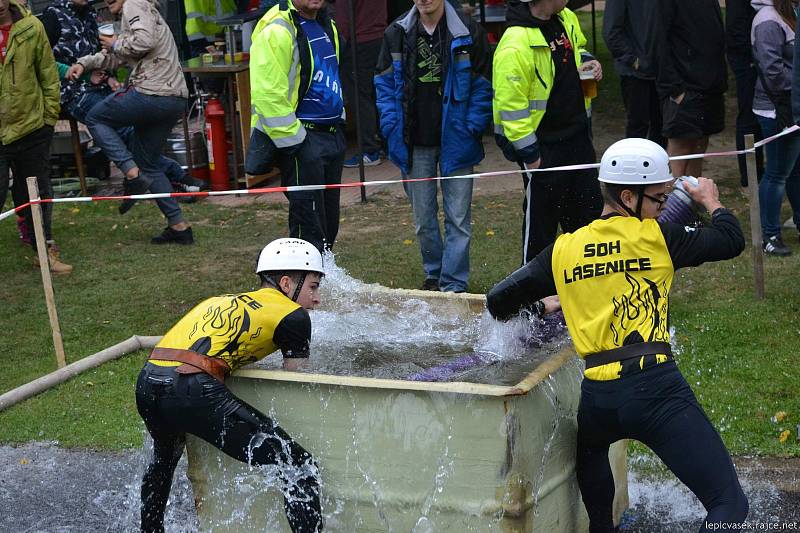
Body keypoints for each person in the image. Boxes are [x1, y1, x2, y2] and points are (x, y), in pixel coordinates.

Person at [486, 138, 749, 532]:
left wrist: (545, 305)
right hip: (657, 390)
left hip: (599, 402)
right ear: (628, 196)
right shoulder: (659, 238)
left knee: (595, 482)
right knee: (730, 507)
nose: (663, 208)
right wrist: (713, 202)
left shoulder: (563, 249)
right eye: (658, 200)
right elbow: (731, 240)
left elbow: (497, 302)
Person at [136, 237, 325, 533]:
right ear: (287, 283)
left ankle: (149, 530)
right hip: (191, 390)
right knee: (298, 464)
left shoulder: (217, 300)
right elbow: (296, 382)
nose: (317, 299)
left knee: (165, 459)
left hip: (147, 383)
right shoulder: (294, 317)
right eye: (313, 287)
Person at [374, 0, 491, 293]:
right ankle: (434, 274)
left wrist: (473, 124)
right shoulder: (396, 33)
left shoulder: (469, 32)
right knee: (423, 219)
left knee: (459, 219)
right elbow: (384, 85)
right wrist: (390, 126)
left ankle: (454, 283)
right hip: (413, 143)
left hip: (458, 139)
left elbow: (483, 84)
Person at [67, 0, 194, 245]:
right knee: (149, 163)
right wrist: (86, 63)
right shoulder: (143, 10)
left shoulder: (134, 4)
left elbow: (143, 41)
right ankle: (179, 227)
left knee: (95, 117)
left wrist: (115, 42)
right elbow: (119, 57)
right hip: (174, 98)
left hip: (151, 91)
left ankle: (132, 174)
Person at [493, 0, 603, 264]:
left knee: (589, 222)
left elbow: (578, 48)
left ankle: (585, 288)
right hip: (544, 149)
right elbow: (510, 108)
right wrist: (532, 156)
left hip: (578, 138)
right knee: (541, 231)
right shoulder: (515, 43)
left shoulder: (565, 17)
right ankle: (532, 296)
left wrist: (589, 61)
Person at [250, 0, 346, 253]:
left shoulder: (328, 25)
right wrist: (299, 144)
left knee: (328, 227)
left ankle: (318, 286)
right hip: (303, 141)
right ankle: (301, 287)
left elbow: (329, 78)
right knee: (308, 231)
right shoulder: (278, 29)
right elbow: (267, 96)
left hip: (332, 136)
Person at [0, 0, 73, 274]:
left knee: (36, 192)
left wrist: (49, 117)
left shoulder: (32, 27)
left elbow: (48, 73)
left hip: (32, 128)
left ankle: (45, 250)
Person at [656, 0, 727, 178]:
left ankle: (692, 200)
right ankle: (671, 202)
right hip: (684, 87)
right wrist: (675, 89)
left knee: (699, 145)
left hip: (710, 86)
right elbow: (657, 42)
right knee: (682, 147)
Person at [752, 0, 800, 256]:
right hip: (776, 109)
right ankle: (769, 235)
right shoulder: (769, 19)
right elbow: (772, 70)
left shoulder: (789, 12)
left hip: (792, 106)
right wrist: (788, 106)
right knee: (777, 173)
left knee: (794, 171)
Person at [602, 0, 664, 147]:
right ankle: (634, 166)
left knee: (662, 124)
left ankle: (658, 166)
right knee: (638, 125)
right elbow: (611, 32)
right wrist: (633, 60)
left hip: (662, 69)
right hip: (634, 73)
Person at [336, 0, 387, 168]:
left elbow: (344, 20)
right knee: (377, 94)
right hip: (379, 38)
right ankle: (382, 144)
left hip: (359, 42)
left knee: (360, 98)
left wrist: (337, 47)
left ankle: (370, 150)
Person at [727, 0, 765, 187]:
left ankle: (759, 172)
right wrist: (751, 57)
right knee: (748, 119)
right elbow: (735, 30)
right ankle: (750, 175)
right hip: (747, 60)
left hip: (759, 53)